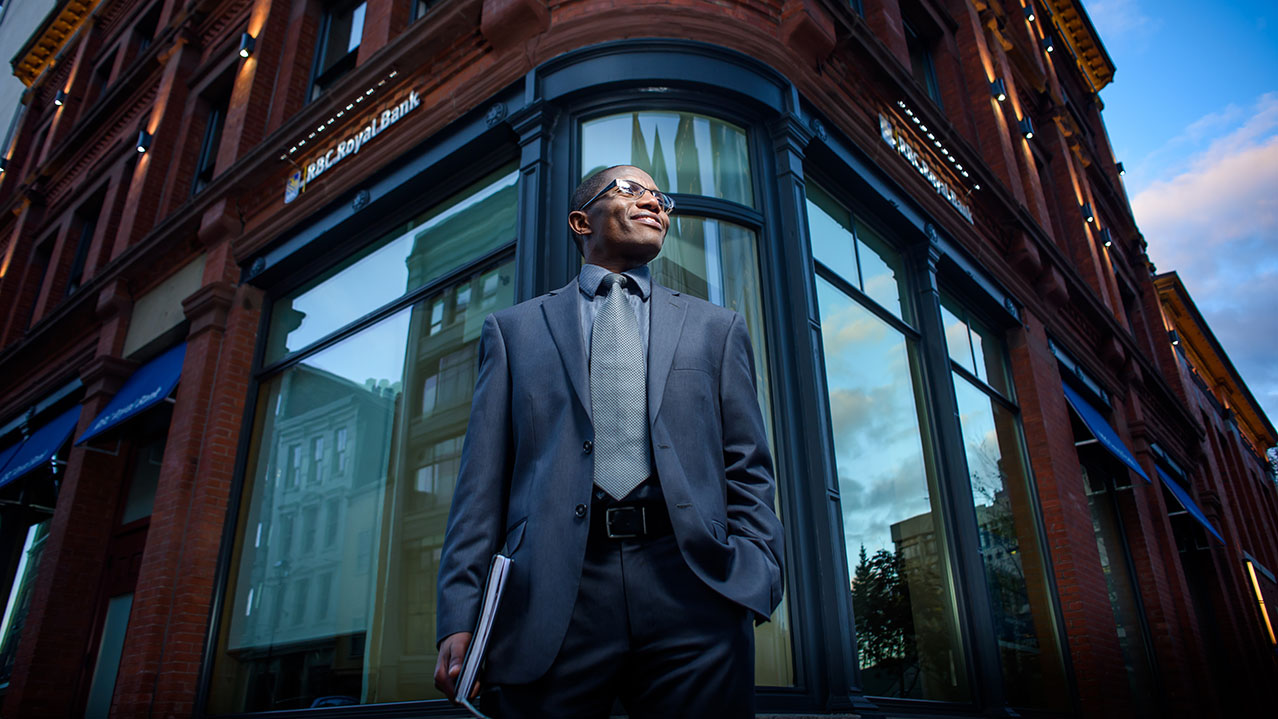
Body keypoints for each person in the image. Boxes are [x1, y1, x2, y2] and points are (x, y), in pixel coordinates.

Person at [433, 164, 783, 718]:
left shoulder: (717, 328)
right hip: (550, 594)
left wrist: (755, 571)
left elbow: (748, 467)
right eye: (630, 190)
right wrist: (459, 612)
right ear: (581, 220)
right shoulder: (514, 331)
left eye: (660, 197)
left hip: (693, 585)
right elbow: (480, 485)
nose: (654, 203)